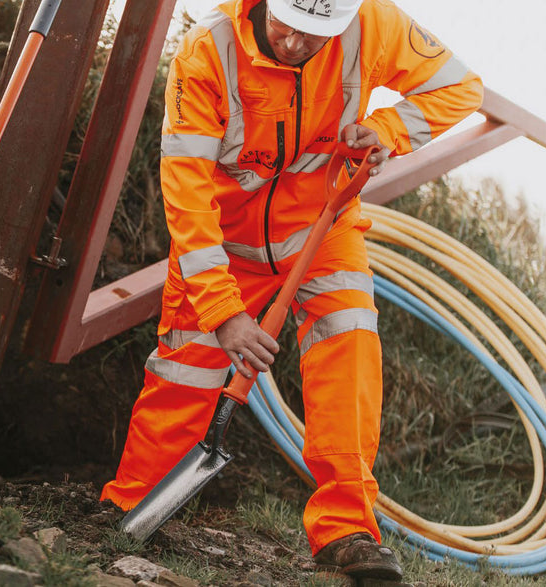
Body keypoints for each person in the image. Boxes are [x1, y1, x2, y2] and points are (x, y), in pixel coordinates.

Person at [101, 0, 483, 581]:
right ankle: (130, 506)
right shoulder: (210, 49)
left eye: (317, 33)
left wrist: (386, 130)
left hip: (322, 230)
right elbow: (185, 190)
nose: (300, 43)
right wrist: (224, 311)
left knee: (348, 353)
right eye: (290, 26)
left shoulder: (372, 23)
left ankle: (347, 530)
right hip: (221, 246)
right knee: (187, 372)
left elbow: (461, 88)